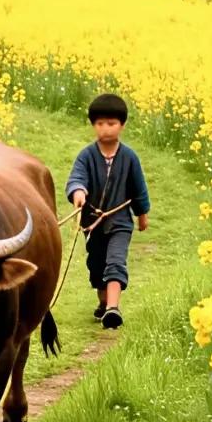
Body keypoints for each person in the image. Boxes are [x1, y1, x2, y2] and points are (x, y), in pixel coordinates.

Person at [65, 92, 150, 330]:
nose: (106, 129)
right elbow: (76, 179)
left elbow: (138, 188)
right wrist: (78, 192)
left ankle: (113, 308)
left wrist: (142, 214)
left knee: (115, 261)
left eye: (111, 123)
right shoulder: (86, 155)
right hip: (93, 222)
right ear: (93, 125)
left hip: (121, 221)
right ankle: (103, 302)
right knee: (97, 265)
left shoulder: (130, 157)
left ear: (122, 125)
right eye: (100, 123)